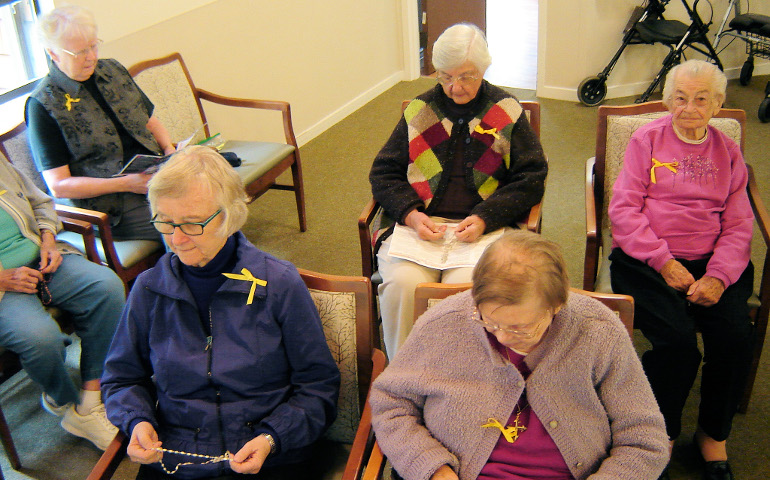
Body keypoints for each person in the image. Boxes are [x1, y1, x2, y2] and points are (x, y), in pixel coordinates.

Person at [101, 146, 340, 479]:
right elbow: (121, 379)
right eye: (165, 223)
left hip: (267, 456)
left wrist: (273, 437)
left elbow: (319, 388)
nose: (177, 239)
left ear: (229, 216)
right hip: (179, 458)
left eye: (192, 224)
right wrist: (137, 420)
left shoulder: (280, 284)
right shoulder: (148, 289)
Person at [370, 230, 669, 480]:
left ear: (557, 306)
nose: (501, 336)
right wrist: (432, 469)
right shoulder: (445, 322)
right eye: (489, 321)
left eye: (521, 327)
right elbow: (391, 404)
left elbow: (644, 438)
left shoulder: (597, 330)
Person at [608, 59, 754, 480]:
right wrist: (663, 260)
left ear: (718, 105)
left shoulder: (728, 152)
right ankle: (661, 434)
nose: (689, 107)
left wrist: (720, 275)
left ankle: (713, 436)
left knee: (733, 337)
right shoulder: (647, 139)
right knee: (676, 343)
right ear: (668, 100)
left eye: (701, 99)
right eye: (680, 97)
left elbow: (739, 222)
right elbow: (624, 209)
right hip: (647, 259)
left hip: (712, 261)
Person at [369, 23, 547, 357]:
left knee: (463, 293)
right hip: (423, 227)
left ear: (483, 70)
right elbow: (384, 172)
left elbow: (531, 176)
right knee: (402, 287)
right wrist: (410, 213)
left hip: (482, 229)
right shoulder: (421, 111)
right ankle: (404, 377)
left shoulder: (504, 111)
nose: (455, 87)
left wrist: (485, 217)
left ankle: (456, 379)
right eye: (445, 76)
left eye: (466, 76)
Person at [0, 154, 124, 450]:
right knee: (40, 338)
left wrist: (47, 240)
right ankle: (63, 399)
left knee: (106, 287)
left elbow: (41, 202)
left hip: (40, 259)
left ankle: (91, 402)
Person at [25, 5, 174, 242]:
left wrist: (170, 151)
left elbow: (149, 121)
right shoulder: (43, 104)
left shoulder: (112, 70)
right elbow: (59, 186)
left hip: (151, 177)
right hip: (110, 205)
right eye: (80, 52)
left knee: (209, 200)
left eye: (94, 45)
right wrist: (128, 184)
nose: (92, 57)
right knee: (180, 222)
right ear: (53, 53)